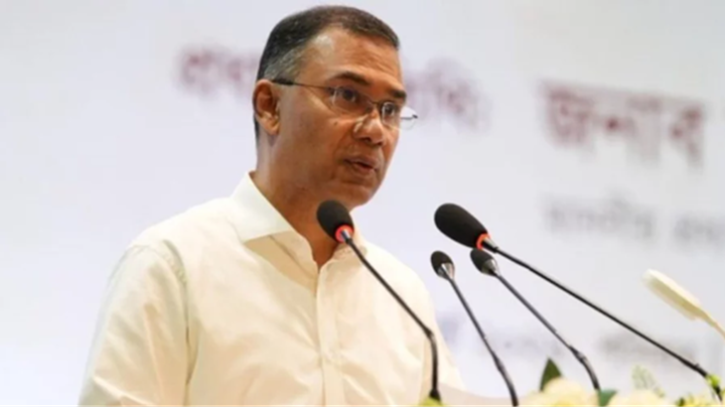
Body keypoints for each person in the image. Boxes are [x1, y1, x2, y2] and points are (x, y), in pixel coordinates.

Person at [79, 5, 464, 406]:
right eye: (348, 96)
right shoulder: (172, 266)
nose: (375, 131)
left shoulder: (403, 295)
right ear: (269, 106)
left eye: (391, 110)